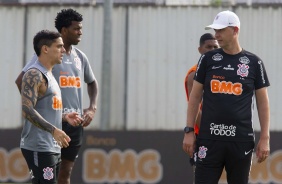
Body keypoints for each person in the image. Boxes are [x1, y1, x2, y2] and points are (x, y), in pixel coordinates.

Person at [182, 10, 270, 184]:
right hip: (209, 140)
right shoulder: (207, 59)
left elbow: (263, 103)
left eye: (221, 30)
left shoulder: (254, 62)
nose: (216, 35)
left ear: (235, 30)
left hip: (241, 141)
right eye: (215, 30)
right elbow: (195, 97)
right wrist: (189, 131)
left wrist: (265, 138)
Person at [15, 9, 98, 184]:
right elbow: (24, 93)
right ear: (64, 30)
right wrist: (38, 109)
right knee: (47, 180)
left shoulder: (77, 59)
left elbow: (92, 82)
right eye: (76, 28)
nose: (80, 32)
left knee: (61, 175)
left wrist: (88, 109)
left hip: (68, 125)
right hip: (45, 134)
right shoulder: (39, 67)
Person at [20, 30, 84, 184]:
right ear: (45, 49)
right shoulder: (34, 74)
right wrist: (54, 130)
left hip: (51, 146)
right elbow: (27, 109)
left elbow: (45, 108)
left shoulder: (50, 75)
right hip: (39, 145)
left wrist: (63, 117)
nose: (63, 50)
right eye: (59, 46)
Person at [184, 33, 219, 167]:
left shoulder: (224, 71)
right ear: (200, 49)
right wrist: (210, 132)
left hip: (226, 132)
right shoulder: (194, 74)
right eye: (208, 47)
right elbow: (195, 108)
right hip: (205, 134)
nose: (212, 50)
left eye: (215, 47)